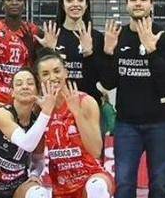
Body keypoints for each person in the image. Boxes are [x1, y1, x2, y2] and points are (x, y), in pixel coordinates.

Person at [97, 0, 165, 198]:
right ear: (127, 5)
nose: (138, 3)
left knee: (159, 185)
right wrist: (108, 52)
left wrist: (151, 51)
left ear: (152, 4)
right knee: (124, 184)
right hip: (127, 124)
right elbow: (108, 83)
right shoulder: (118, 35)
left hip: (162, 122)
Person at [35, 52, 114, 198]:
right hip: (61, 186)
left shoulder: (85, 101)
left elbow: (96, 150)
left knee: (97, 186)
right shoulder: (40, 108)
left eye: (57, 71)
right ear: (39, 79)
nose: (52, 77)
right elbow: (34, 152)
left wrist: (77, 113)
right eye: (45, 74)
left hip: (91, 177)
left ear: (66, 72)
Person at [0, 69, 51, 198]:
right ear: (12, 92)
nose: (25, 87)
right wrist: (46, 111)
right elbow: (27, 144)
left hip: (18, 188)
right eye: (19, 84)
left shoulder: (37, 124)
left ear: (37, 92)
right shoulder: (0, 114)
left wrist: (34, 175)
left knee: (38, 193)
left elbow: (38, 161)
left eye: (30, 83)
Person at [52, 0, 107, 108]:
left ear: (86, 5)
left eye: (80, 0)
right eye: (69, 0)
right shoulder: (53, 35)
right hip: (59, 103)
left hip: (88, 103)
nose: (75, 4)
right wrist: (49, 51)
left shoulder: (97, 37)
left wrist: (88, 53)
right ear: (62, 5)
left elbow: (102, 78)